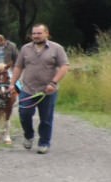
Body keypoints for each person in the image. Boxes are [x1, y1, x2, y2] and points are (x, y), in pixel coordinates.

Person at [10, 23, 70, 154]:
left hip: (47, 91)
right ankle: (28, 135)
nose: (36, 36)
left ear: (47, 34)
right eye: (34, 33)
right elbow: (18, 67)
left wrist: (53, 83)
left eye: (39, 33)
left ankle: (44, 142)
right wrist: (12, 83)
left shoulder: (56, 48)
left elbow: (64, 67)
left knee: (46, 118)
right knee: (24, 114)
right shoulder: (25, 49)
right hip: (28, 89)